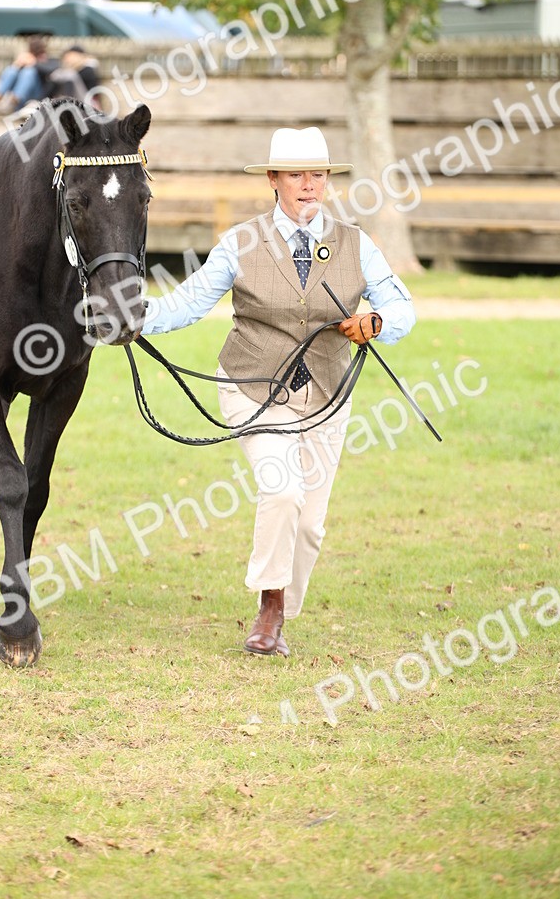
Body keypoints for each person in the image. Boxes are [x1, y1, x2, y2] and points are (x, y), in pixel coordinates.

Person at [141, 126, 416, 659]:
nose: (309, 185)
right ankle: (270, 608)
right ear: (273, 179)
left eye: (318, 175)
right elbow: (187, 303)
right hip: (252, 384)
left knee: (310, 522)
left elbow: (401, 304)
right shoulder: (241, 241)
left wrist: (378, 321)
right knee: (283, 489)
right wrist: (135, 317)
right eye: (297, 174)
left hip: (328, 393)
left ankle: (284, 609)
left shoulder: (355, 242)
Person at [0, 36, 58, 113]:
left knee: (29, 71)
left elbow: (53, 70)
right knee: (12, 70)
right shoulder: (26, 58)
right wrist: (18, 64)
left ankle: (14, 102)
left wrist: (34, 63)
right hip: (18, 93)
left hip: (37, 94)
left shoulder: (50, 60)